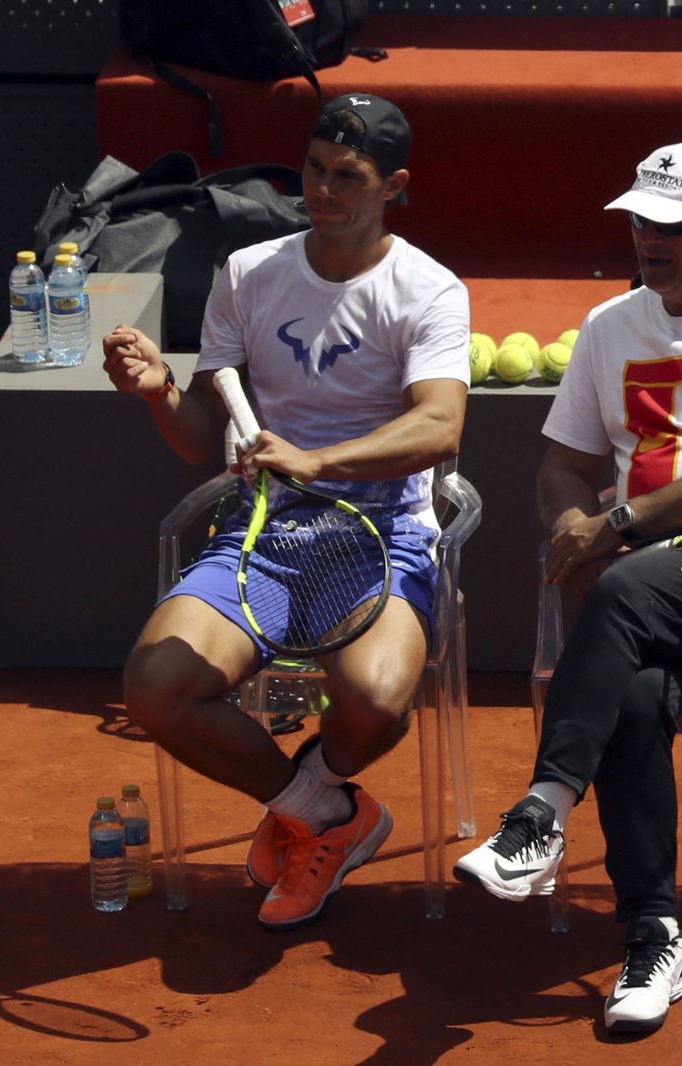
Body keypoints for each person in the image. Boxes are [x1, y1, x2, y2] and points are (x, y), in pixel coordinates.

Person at [452, 141, 682, 1033]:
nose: (644, 240)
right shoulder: (608, 326)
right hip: (648, 580)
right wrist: (569, 528)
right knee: (630, 699)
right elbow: (565, 467)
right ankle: (655, 932)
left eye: (667, 225)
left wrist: (613, 530)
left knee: (621, 590)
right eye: (637, 221)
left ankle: (542, 812)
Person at [101, 94, 470, 930]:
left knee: (375, 703)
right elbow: (202, 434)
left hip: (386, 528)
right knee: (156, 688)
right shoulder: (250, 273)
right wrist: (157, 389)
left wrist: (318, 459)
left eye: (349, 177)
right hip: (266, 531)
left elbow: (440, 424)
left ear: (394, 186)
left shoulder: (428, 289)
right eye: (314, 169)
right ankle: (325, 811)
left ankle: (313, 797)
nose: (324, 190)